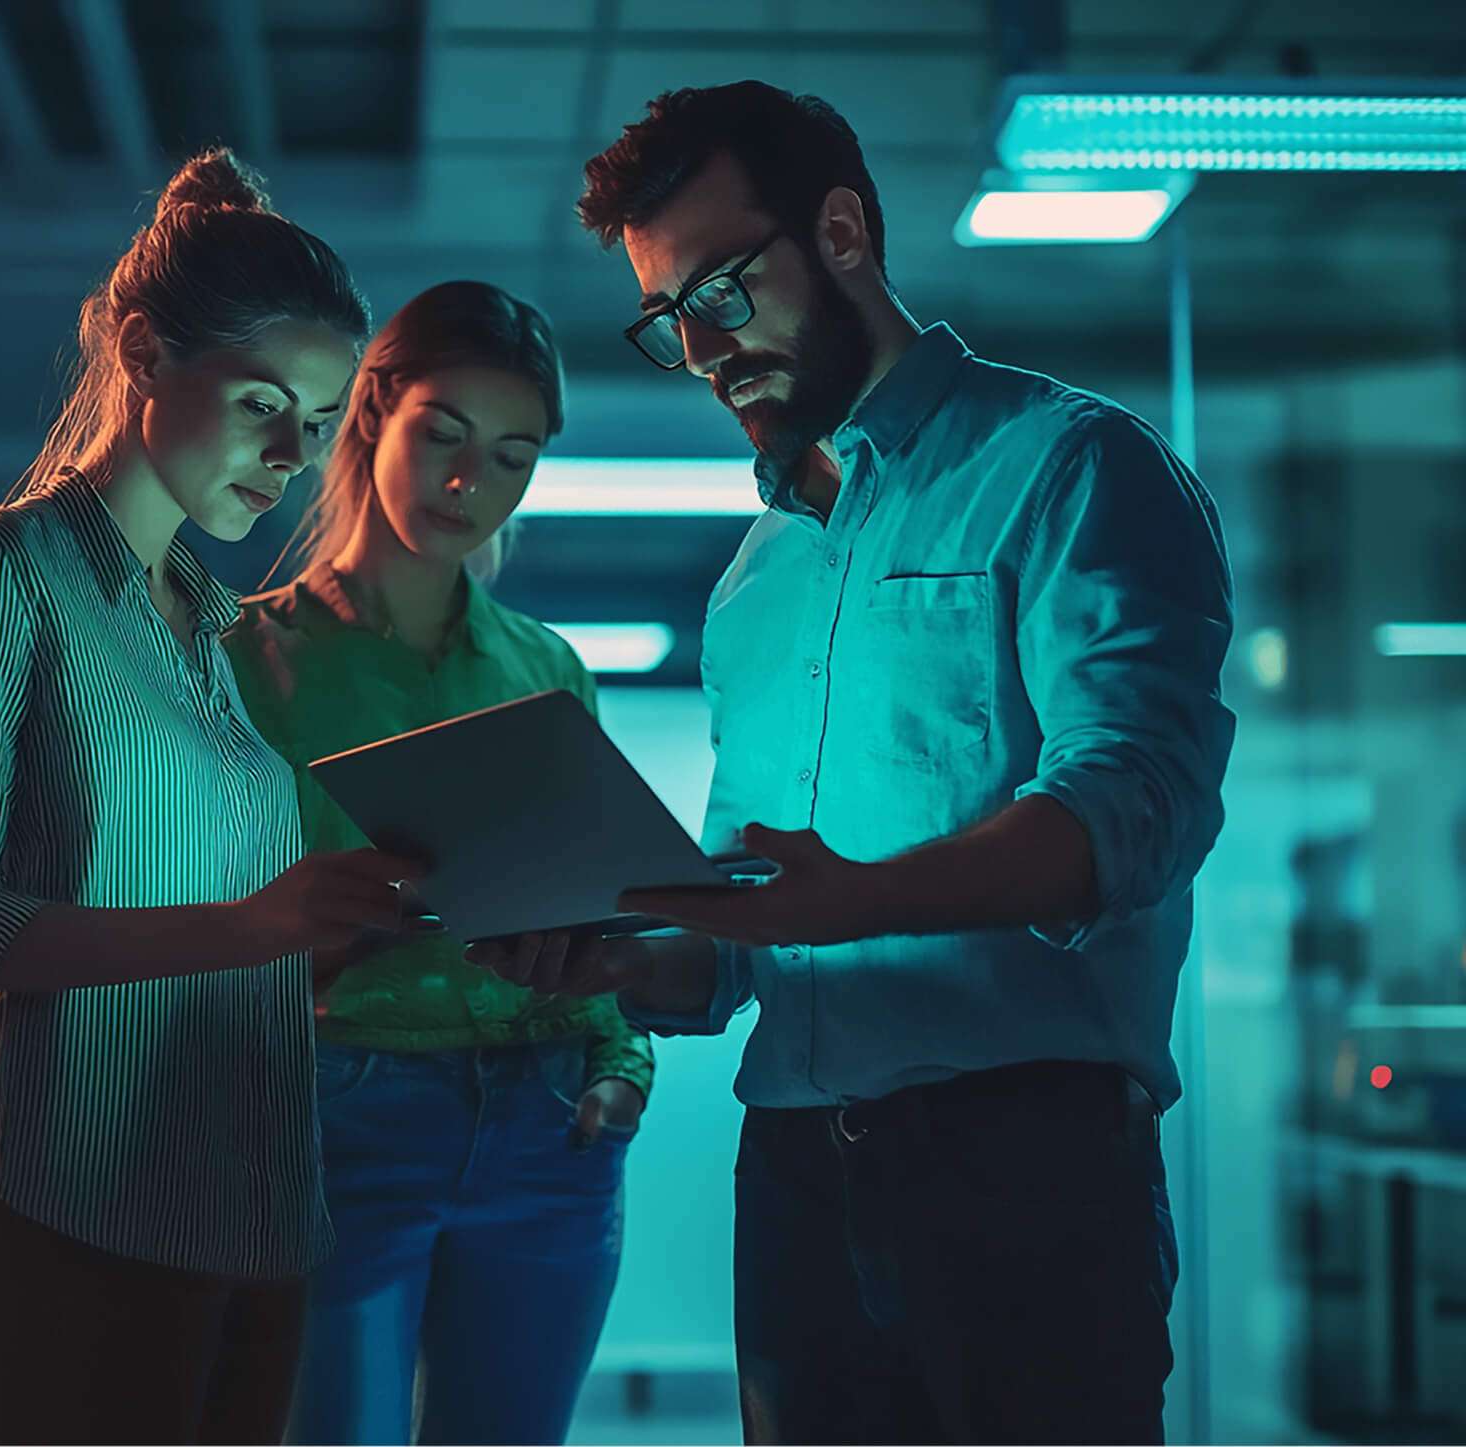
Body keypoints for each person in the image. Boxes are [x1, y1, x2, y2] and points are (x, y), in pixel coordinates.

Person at [469, 81, 1235, 1445]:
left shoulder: (1070, 467)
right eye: (666, 323)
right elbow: (742, 927)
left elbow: (1137, 807)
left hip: (1029, 1170)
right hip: (799, 1188)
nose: (702, 349)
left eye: (719, 290)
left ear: (839, 231)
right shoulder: (755, 582)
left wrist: (855, 896)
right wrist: (631, 958)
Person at [0, 147, 428, 1446]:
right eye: (261, 403)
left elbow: (208, 927)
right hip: (74, 1213)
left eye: (318, 419)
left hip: (256, 1209)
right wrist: (254, 923)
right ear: (142, 353)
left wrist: (349, 926)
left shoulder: (215, 634)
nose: (296, 455)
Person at [223, 280, 655, 1446]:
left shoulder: (546, 666)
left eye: (513, 457)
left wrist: (620, 1064)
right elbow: (193, 919)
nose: (473, 484)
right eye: (445, 437)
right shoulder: (242, 662)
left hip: (551, 1116)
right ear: (371, 414)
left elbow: (598, 901)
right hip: (340, 1108)